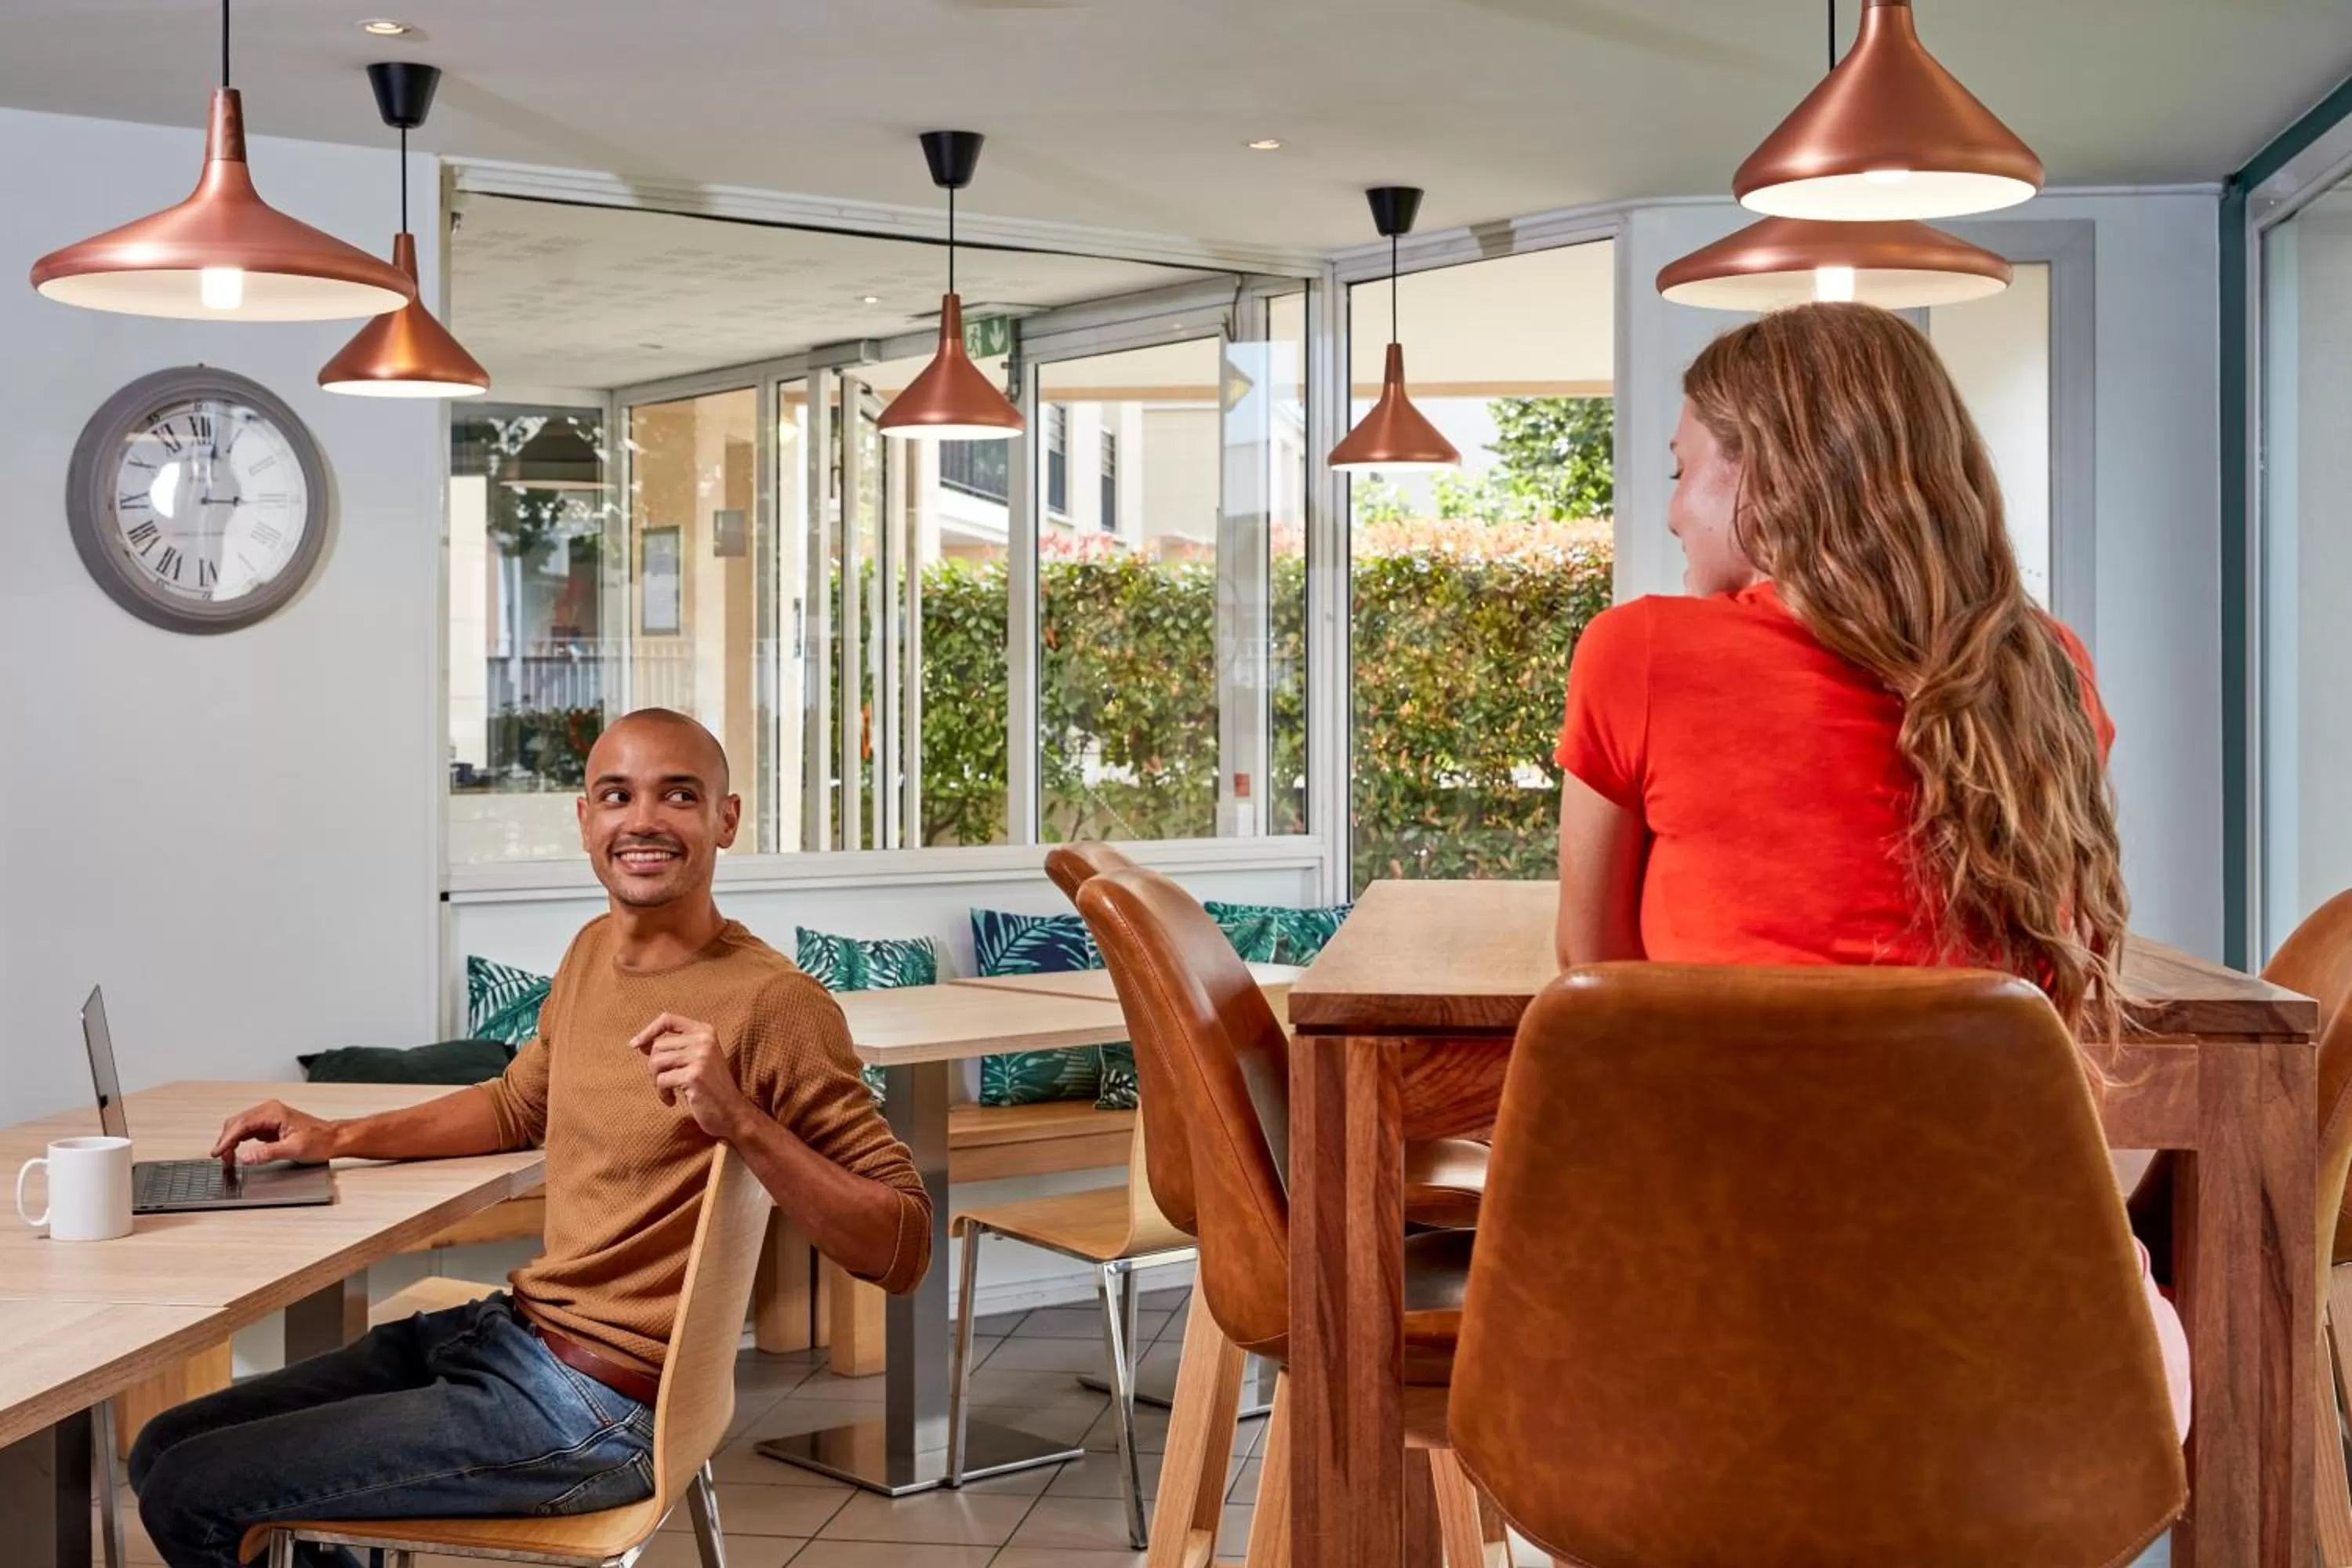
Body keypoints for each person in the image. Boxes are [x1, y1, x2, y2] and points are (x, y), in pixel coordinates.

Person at [1552, 302, 2189, 1441]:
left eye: (1683, 470)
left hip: (1711, 1313)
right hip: (2020, 1334)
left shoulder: (1636, 653)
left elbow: (1593, 982)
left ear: (1772, 478)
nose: (1670, 510)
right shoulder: (2045, 672)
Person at [130, 709, 931, 1567]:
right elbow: (517, 1105)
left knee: (193, 1491)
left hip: (594, 1407)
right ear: (586, 820)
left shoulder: (777, 1003)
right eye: (617, 795)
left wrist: (742, 1120)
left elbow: (902, 1246)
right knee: (163, 1443)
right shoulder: (591, 949)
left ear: (725, 820)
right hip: (514, 1331)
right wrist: (333, 1132)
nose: (644, 820)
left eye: (680, 796)